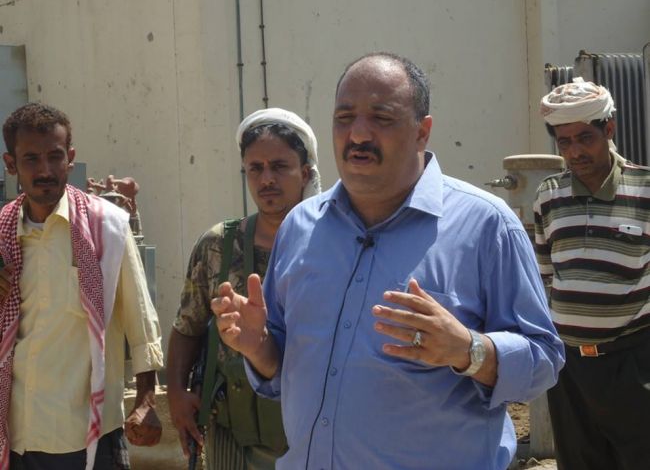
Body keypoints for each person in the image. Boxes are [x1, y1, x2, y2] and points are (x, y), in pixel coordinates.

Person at [213, 52, 564, 470]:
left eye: (381, 118)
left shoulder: (486, 226)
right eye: (344, 118)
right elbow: (282, 365)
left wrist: (469, 350)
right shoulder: (300, 227)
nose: (358, 134)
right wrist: (259, 348)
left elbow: (544, 360)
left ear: (422, 131)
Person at [0, 103, 164, 470]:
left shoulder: (107, 227)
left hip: (87, 434)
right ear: (11, 164)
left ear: (70, 159)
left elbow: (141, 322)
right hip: (16, 434)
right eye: (31, 159)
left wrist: (146, 401)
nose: (45, 170)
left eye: (54, 156)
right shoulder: (3, 234)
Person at [167, 108, 321, 469]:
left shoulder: (332, 245)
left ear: (306, 173)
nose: (267, 179)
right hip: (234, 434)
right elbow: (188, 326)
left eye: (279, 166)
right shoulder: (219, 245)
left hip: (312, 432)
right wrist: (175, 392)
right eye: (255, 168)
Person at [534, 78, 650, 470]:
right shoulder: (548, 196)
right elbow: (546, 276)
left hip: (633, 366)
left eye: (585, 138)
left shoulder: (645, 189)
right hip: (570, 371)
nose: (575, 152)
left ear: (609, 129)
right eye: (564, 142)